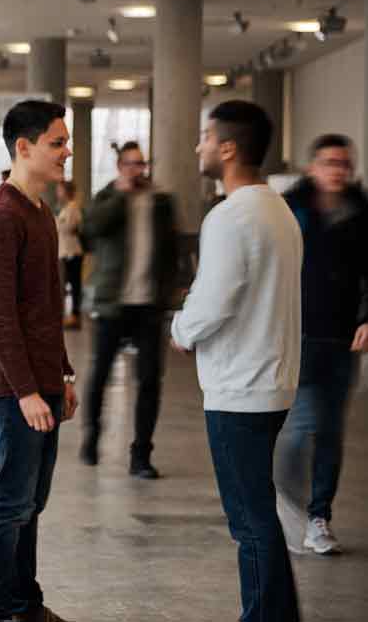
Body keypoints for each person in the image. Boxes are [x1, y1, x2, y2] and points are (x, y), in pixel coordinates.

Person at [171, 100, 302, 622]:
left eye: (205, 137)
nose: (198, 146)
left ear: (227, 147)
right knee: (259, 516)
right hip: (273, 380)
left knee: (249, 523)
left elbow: (212, 301)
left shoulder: (231, 216)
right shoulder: (279, 210)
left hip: (240, 387)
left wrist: (179, 329)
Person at [0, 100, 77, 622]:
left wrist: (63, 373)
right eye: (57, 142)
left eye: (65, 141)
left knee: (31, 503)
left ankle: (23, 603)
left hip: (43, 382)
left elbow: (46, 306)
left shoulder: (40, 213)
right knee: (11, 503)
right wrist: (27, 391)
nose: (67, 151)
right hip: (15, 390)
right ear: (24, 147)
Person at [276, 133, 368, 555]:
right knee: (300, 426)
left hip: (343, 338)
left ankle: (318, 517)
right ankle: (287, 505)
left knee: (330, 430)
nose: (338, 170)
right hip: (300, 334)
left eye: (344, 164)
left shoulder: (361, 214)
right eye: (330, 162)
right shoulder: (291, 210)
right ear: (312, 167)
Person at [77, 143, 179, 477]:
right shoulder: (106, 198)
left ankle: (141, 455)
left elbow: (172, 250)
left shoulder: (161, 202)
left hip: (149, 305)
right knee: (100, 374)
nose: (136, 169)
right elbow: (91, 232)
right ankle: (92, 437)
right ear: (120, 166)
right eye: (130, 164)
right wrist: (121, 196)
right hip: (112, 303)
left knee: (150, 380)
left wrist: (172, 293)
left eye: (141, 164)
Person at [54, 181, 84, 330]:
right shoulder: (64, 208)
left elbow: (70, 227)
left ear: (66, 192)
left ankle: (74, 315)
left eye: (60, 190)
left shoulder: (72, 207)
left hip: (71, 252)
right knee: (62, 285)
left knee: (74, 284)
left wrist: (55, 222)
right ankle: (65, 315)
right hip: (63, 251)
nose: (57, 193)